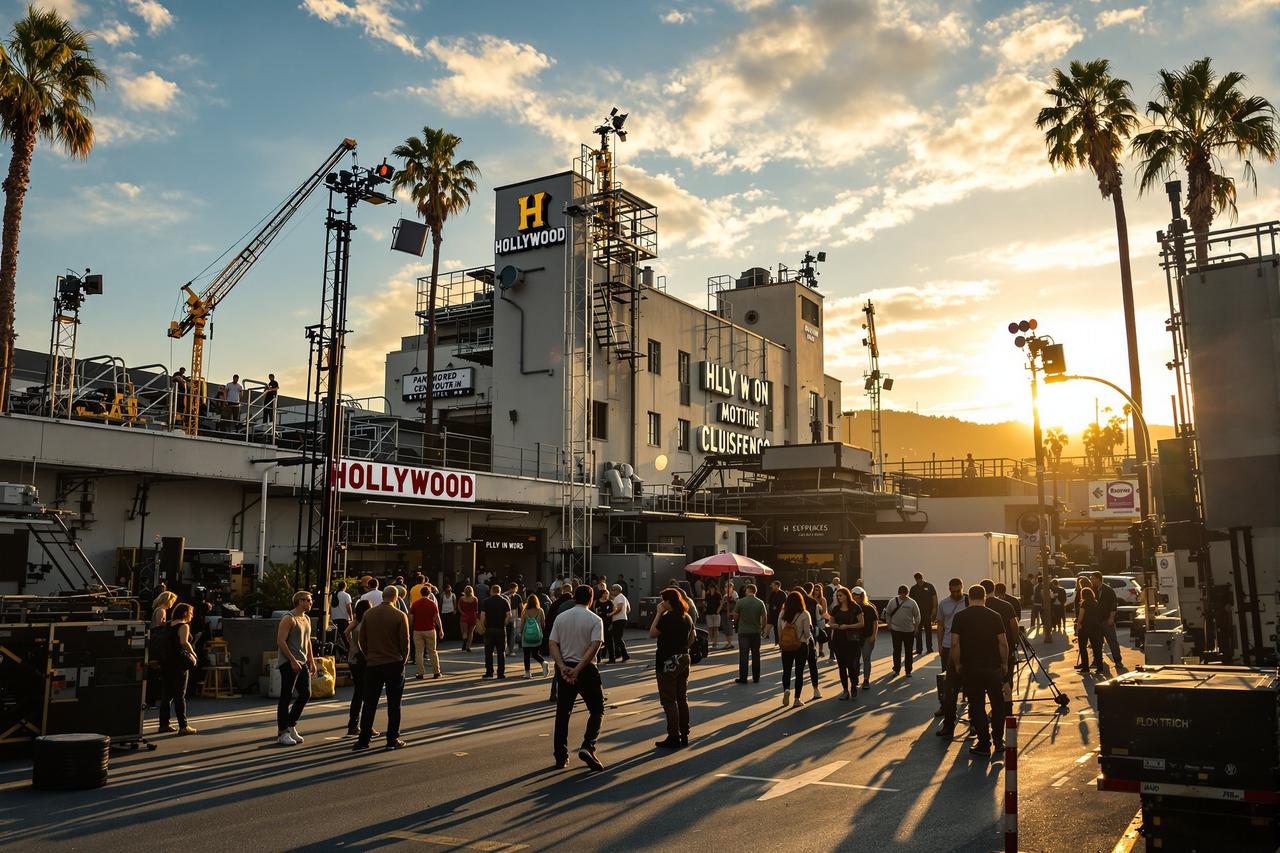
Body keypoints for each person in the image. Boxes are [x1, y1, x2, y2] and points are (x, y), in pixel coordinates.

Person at [548, 585, 607, 771]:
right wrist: (579, 669)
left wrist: (562, 666)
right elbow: (594, 646)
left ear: (574, 597)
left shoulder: (561, 617)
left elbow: (553, 643)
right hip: (586, 669)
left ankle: (560, 756)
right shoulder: (595, 619)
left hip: (564, 669)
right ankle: (588, 745)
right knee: (597, 709)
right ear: (591, 599)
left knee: (563, 712)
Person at [949, 584, 1009, 756]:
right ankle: (998, 740)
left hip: (971, 667)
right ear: (984, 597)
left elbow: (955, 643)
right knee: (997, 705)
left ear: (969, 598)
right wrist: (1004, 664)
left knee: (977, 705)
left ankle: (984, 743)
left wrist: (958, 663)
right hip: (993, 667)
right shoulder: (995, 616)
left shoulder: (960, 617)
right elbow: (1003, 643)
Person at [354, 586, 410, 750]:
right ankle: (392, 739)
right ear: (396, 598)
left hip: (373, 663)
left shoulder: (368, 614)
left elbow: (361, 640)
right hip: (394, 663)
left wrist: (368, 655)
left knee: (370, 703)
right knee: (394, 704)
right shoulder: (400, 615)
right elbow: (404, 642)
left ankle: (364, 739)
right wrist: (403, 659)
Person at [650, 587, 695, 748]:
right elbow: (693, 636)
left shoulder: (667, 617)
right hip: (683, 658)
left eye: (663, 600)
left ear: (668, 601)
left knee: (669, 700)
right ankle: (685, 733)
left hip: (667, 660)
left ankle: (673, 735)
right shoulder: (687, 616)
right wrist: (683, 648)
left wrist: (658, 614)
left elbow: (653, 633)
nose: (661, 603)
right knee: (682, 698)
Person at [275, 590, 315, 747]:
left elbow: (308, 641)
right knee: (286, 696)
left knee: (306, 694)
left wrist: (311, 661)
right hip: (289, 662)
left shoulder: (306, 618)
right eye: (309, 600)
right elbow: (280, 641)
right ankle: (282, 732)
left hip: (302, 661)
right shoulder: (288, 618)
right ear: (300, 601)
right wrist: (291, 660)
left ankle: (291, 725)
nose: (311, 603)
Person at [158, 602, 198, 735]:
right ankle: (183, 726)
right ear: (185, 613)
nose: (192, 615)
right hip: (179, 664)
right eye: (191, 613)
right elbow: (184, 642)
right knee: (180, 695)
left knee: (166, 695)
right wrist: (193, 653)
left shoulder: (168, 624)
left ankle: (163, 724)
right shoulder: (183, 625)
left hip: (165, 662)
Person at [935, 577, 968, 733]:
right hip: (948, 646)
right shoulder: (943, 604)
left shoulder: (968, 601)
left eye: (958, 591)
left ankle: (973, 720)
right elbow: (940, 625)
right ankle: (947, 715)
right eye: (953, 591)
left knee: (970, 684)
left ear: (962, 587)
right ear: (949, 590)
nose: (956, 594)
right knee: (949, 685)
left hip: (967, 647)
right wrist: (940, 645)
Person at [777, 591, 814, 707]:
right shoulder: (804, 614)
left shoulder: (783, 613)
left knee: (786, 670)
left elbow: (779, 630)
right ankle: (797, 699)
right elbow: (807, 633)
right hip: (801, 645)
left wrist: (781, 642)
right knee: (799, 672)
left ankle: (786, 689)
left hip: (786, 645)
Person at [829, 586, 865, 699]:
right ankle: (845, 690)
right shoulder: (836, 609)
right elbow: (830, 622)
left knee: (851, 665)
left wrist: (848, 626)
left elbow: (861, 623)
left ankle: (853, 686)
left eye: (841, 595)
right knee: (841, 666)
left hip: (851, 640)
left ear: (846, 595)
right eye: (837, 596)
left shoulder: (855, 607)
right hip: (838, 640)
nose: (839, 597)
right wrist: (833, 625)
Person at [344, 600, 374, 737]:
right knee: (367, 694)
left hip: (353, 658)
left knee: (358, 692)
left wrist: (351, 645)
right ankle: (364, 725)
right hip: (364, 659)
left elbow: (346, 632)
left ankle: (353, 725)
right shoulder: (367, 622)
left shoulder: (356, 620)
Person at [545, 584, 576, 703]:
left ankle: (554, 692)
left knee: (558, 667)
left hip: (557, 638)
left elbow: (549, 621)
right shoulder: (573, 605)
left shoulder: (556, 604)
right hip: (571, 639)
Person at [733, 583, 767, 684]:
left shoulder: (740, 602)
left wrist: (736, 623)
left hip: (743, 631)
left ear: (748, 590)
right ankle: (756, 677)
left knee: (744, 655)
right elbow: (764, 617)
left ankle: (743, 678)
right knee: (756, 654)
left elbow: (735, 615)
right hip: (756, 631)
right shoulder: (760, 602)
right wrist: (762, 628)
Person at [885, 584, 921, 677]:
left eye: (905, 594)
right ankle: (896, 669)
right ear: (899, 593)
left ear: (907, 593)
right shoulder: (892, 601)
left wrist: (916, 627)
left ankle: (908, 670)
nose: (903, 596)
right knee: (897, 650)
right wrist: (889, 624)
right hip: (896, 630)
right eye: (901, 594)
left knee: (908, 651)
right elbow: (888, 613)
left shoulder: (912, 603)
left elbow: (917, 616)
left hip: (909, 630)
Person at [410, 585, 444, 680]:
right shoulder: (432, 604)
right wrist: (441, 629)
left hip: (418, 630)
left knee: (419, 652)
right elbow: (437, 618)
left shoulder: (415, 604)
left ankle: (420, 673)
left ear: (421, 594)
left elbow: (411, 618)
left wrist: (411, 627)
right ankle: (436, 672)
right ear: (429, 594)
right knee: (432, 651)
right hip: (430, 629)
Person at [478, 584, 512, 679]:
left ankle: (489, 672)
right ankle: (500, 673)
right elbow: (509, 616)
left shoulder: (486, 602)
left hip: (489, 629)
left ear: (491, 591)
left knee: (488, 652)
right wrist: (504, 623)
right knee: (501, 652)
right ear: (500, 591)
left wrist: (483, 625)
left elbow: (482, 615)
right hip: (500, 629)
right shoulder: (505, 601)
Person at [1091, 575, 1124, 669]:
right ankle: (1097, 660)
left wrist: (1111, 618)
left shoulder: (1108, 590)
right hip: (1096, 621)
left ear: (1098, 579)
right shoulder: (1092, 589)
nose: (1091, 580)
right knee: (1097, 642)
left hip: (1106, 619)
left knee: (1112, 641)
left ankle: (1118, 661)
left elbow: (1113, 605)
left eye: (1093, 578)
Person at [800, 584, 824, 698]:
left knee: (796, 667)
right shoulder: (813, 603)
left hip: (794, 640)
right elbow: (819, 619)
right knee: (812, 664)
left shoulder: (788, 606)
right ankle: (816, 689)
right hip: (810, 637)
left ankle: (794, 695)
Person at [1075, 586, 1105, 673]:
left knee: (1083, 647)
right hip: (1095, 627)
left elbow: (1081, 615)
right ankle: (1100, 667)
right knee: (1096, 647)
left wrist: (1078, 625)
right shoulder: (1096, 603)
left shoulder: (1084, 603)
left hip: (1085, 627)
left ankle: (1085, 667)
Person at [853, 587, 878, 690]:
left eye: (856, 595)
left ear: (862, 596)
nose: (854, 597)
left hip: (867, 636)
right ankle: (855, 679)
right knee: (855, 660)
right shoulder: (851, 608)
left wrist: (873, 636)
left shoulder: (869, 608)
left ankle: (866, 679)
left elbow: (875, 622)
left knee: (866, 658)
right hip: (855, 638)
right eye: (853, 595)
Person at [910, 572, 938, 656]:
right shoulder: (914, 588)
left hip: (927, 612)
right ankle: (919, 649)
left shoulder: (929, 586)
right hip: (918, 613)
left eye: (920, 579)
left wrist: (934, 608)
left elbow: (934, 597)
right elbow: (911, 601)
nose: (919, 581)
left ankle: (929, 648)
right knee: (917, 631)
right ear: (915, 579)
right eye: (917, 580)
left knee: (928, 631)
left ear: (922, 578)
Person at [520, 594, 548, 678]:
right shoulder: (540, 611)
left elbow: (522, 624)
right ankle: (543, 663)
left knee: (526, 655)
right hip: (537, 636)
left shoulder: (524, 611)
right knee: (535, 653)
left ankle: (527, 673)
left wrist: (521, 633)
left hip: (526, 636)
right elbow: (543, 624)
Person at [609, 583, 632, 662]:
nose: (611, 591)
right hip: (622, 619)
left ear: (617, 590)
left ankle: (624, 655)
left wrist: (611, 614)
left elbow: (619, 608)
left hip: (619, 620)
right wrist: (624, 613)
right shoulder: (623, 597)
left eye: (613, 590)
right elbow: (628, 609)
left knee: (617, 638)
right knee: (617, 638)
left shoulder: (619, 597)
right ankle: (620, 654)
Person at [331, 581, 353, 654]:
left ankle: (339, 653)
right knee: (345, 637)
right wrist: (351, 617)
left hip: (334, 619)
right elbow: (348, 608)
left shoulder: (332, 595)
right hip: (343, 619)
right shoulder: (346, 595)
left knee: (336, 638)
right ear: (345, 587)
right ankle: (348, 652)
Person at [594, 586, 614, 662]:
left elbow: (611, 611)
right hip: (599, 622)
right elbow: (596, 611)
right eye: (605, 593)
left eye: (607, 593)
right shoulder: (597, 602)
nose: (607, 595)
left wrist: (609, 615)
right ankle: (598, 658)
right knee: (599, 640)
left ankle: (612, 658)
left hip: (607, 623)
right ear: (602, 594)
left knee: (609, 641)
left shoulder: (610, 602)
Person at [458, 585, 478, 651]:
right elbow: (476, 609)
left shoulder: (461, 599)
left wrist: (463, 613)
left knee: (464, 632)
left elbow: (459, 608)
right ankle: (468, 647)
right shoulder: (475, 599)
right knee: (471, 632)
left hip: (464, 616)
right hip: (472, 616)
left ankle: (464, 641)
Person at [704, 582, 723, 650]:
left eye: (713, 588)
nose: (712, 589)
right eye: (710, 588)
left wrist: (718, 611)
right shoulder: (707, 595)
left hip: (716, 614)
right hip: (709, 613)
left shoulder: (718, 595)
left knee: (716, 628)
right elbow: (705, 602)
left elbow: (721, 603)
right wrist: (705, 606)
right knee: (710, 628)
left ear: (715, 588)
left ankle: (715, 642)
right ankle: (712, 641)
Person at [722, 580, 739, 651]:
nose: (726, 588)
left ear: (731, 587)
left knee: (729, 628)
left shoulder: (734, 594)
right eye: (725, 587)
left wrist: (733, 612)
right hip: (724, 612)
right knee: (725, 628)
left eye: (728, 587)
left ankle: (730, 643)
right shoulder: (725, 595)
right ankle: (728, 642)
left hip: (731, 613)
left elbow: (737, 603)